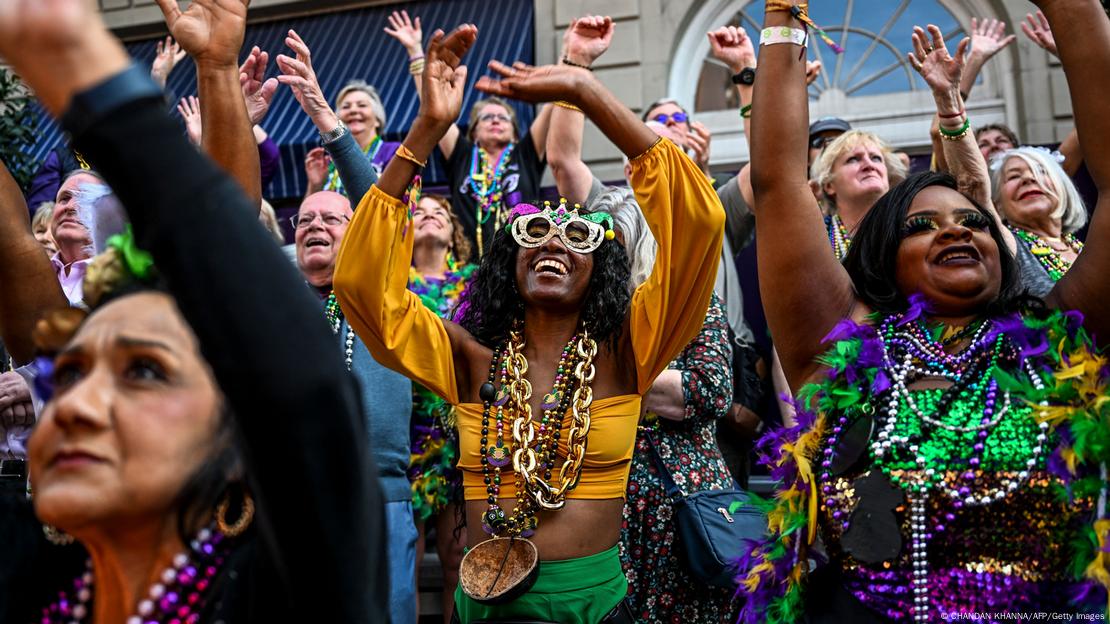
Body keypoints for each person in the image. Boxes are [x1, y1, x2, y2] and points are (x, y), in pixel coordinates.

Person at [0, 0, 390, 621]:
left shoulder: (293, 575)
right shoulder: (31, 577)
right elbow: (10, 247)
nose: (77, 404)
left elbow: (284, 355)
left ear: (235, 429)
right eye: (70, 375)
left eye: (144, 372)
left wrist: (200, 69)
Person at [333, 23, 724, 623]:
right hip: (491, 605)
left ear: (603, 268)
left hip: (599, 605)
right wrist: (427, 130)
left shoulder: (630, 348)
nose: (554, 243)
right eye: (533, 231)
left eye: (578, 234)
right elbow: (363, 287)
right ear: (507, 262)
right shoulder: (466, 357)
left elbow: (698, 223)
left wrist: (586, 91)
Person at [738, 2, 1110, 621]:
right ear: (887, 256)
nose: (954, 231)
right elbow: (778, 181)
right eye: (922, 226)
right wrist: (782, 15)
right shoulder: (844, 344)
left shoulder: (1058, 338)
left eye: (971, 221)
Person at [598, 188, 738, 622]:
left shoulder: (691, 305)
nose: (608, 260)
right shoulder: (579, 313)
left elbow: (709, 388)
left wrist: (606, 376)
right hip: (601, 502)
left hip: (681, 502)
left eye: (617, 246)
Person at [292, 190, 417, 624]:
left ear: (358, 233)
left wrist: (331, 125)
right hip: (297, 497)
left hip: (380, 495)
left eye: (331, 218)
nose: (314, 226)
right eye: (305, 219)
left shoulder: (380, 297)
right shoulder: (279, 300)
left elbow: (383, 205)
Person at [385, 10, 552, 256]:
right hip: (466, 270)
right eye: (487, 117)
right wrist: (415, 52)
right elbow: (434, 112)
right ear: (474, 132)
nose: (495, 120)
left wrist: (571, 60)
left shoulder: (525, 154)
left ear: (515, 134)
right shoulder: (462, 154)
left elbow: (556, 104)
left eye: (503, 118)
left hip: (520, 265)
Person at [992, 146, 1087, 285]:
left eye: (1041, 171)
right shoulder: (1006, 246)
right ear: (997, 205)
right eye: (1014, 176)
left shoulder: (1087, 248)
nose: (1028, 178)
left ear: (1063, 188)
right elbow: (973, 182)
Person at [810, 130, 908, 260]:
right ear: (829, 185)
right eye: (853, 159)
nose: (869, 165)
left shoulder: (910, 229)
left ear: (888, 179)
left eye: (876, 158)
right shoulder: (814, 241)